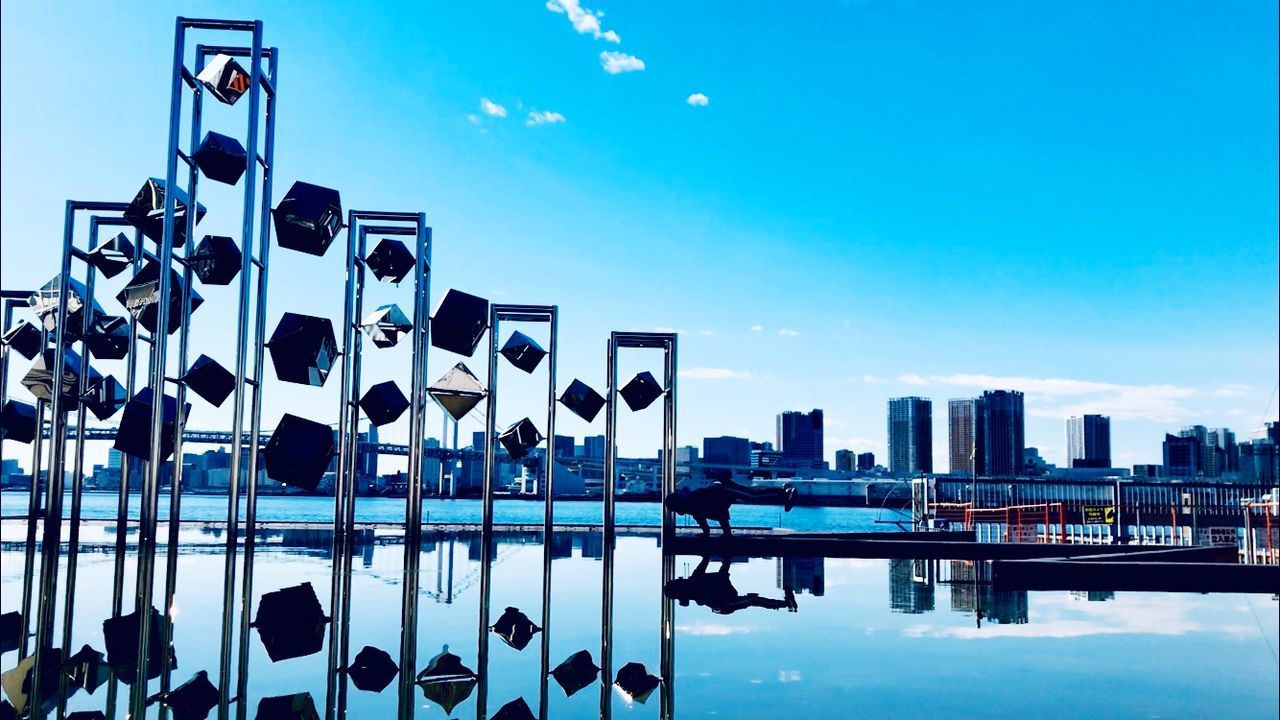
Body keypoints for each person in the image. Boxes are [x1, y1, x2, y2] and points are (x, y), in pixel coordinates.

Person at [664, 556, 797, 614]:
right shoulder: (696, 583)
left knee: (751, 599)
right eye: (676, 581)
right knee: (752, 600)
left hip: (722, 594)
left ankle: (784, 604)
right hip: (724, 603)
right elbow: (706, 560)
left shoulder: (695, 584)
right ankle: (784, 604)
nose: (678, 578)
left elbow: (708, 561)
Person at [664, 479, 796, 537]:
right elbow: (706, 522)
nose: (678, 513)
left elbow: (720, 514)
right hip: (721, 492)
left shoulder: (695, 502)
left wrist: (726, 534)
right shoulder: (693, 508)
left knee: (752, 495)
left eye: (676, 510)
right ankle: (784, 493)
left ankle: (785, 492)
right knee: (752, 494)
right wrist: (711, 533)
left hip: (723, 490)